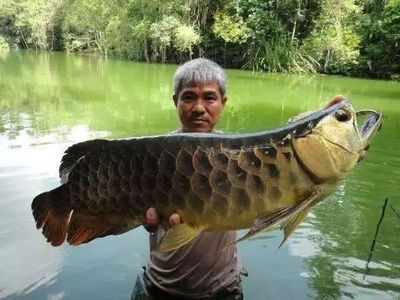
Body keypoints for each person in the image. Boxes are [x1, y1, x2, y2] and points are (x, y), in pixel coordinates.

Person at [131, 58, 243, 300]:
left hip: (222, 289)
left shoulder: (239, 156)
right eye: (189, 97)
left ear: (223, 103)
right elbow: (145, 214)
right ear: (176, 101)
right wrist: (142, 218)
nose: (199, 107)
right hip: (159, 286)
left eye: (209, 98)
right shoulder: (154, 155)